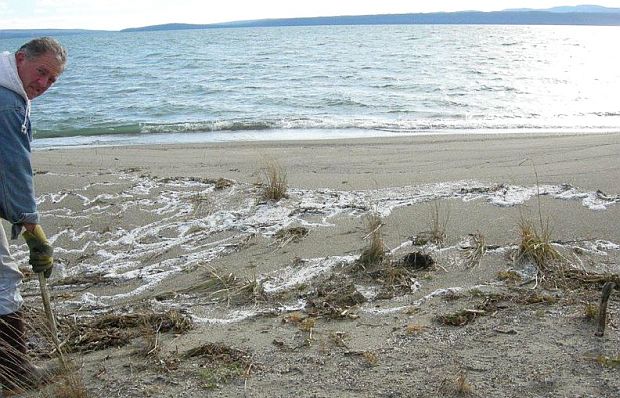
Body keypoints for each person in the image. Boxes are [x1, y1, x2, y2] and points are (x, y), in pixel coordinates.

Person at [0, 37, 67, 393]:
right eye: (41, 73)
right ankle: (15, 370)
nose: (43, 85)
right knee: (3, 280)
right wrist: (29, 225)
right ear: (21, 59)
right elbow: (12, 167)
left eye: (52, 80)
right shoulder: (8, 102)